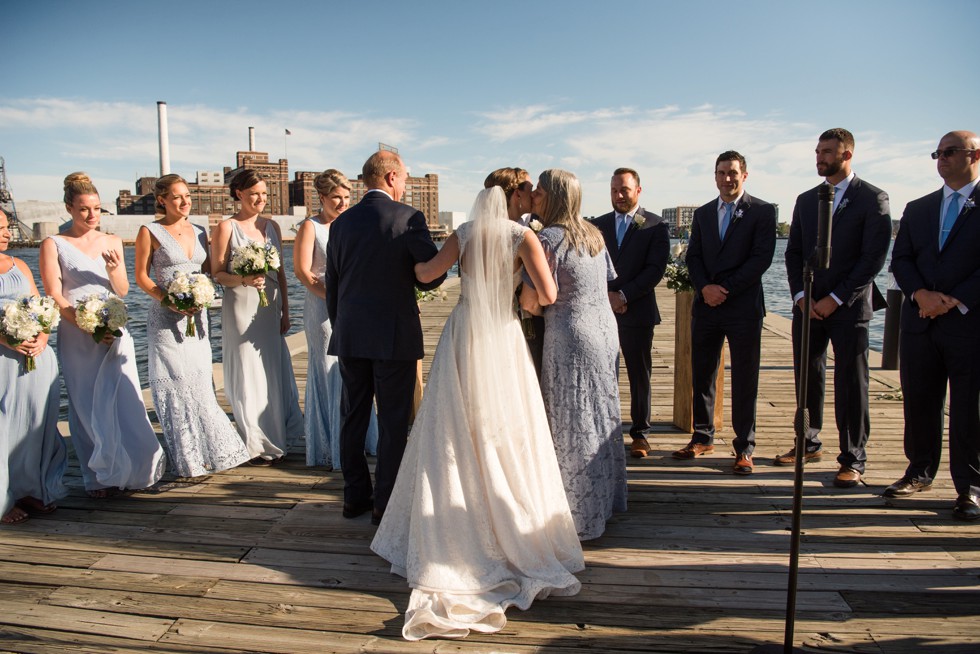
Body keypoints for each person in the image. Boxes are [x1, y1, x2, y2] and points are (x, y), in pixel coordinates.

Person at [371, 186, 583, 640]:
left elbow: (427, 273)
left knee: (451, 425)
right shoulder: (522, 237)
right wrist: (522, 287)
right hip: (502, 335)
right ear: (511, 207)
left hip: (464, 331)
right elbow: (546, 293)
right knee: (506, 425)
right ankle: (508, 517)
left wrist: (404, 264)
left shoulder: (465, 234)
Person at [325, 151, 445, 525]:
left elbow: (332, 284)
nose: (406, 184)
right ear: (391, 177)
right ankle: (385, 503)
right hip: (393, 336)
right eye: (405, 177)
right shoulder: (408, 217)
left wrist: (341, 325)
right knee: (393, 421)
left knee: (353, 417)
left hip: (349, 334)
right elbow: (433, 274)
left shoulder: (341, 224)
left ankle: (354, 497)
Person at [39, 173, 166, 497]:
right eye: (84, 209)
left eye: (96, 208)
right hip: (78, 333)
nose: (91, 215)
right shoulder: (54, 244)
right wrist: (84, 322)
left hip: (113, 329)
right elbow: (54, 293)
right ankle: (98, 477)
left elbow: (122, 289)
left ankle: (133, 468)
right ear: (69, 208)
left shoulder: (111, 241)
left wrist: (112, 271)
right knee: (85, 404)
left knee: (123, 399)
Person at [782, 128, 892, 487]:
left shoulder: (872, 198)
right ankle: (808, 441)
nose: (819, 157)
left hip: (849, 307)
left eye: (826, 151)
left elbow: (872, 258)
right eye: (817, 151)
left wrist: (837, 298)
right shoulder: (805, 199)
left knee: (851, 382)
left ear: (847, 155)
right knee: (807, 378)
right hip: (808, 306)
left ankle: (852, 457)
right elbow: (794, 251)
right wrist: (801, 297)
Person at [525, 168, 626, 540]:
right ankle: (605, 501)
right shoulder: (594, 233)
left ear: (552, 196)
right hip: (604, 333)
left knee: (572, 418)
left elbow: (533, 299)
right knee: (601, 414)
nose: (534, 194)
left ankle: (577, 513)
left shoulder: (548, 239)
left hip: (571, 335)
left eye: (539, 190)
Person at [887, 130, 980, 520]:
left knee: (968, 409)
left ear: (975, 155)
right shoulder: (919, 207)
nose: (941, 158)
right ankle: (919, 471)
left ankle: (970, 487)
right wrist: (921, 295)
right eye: (937, 153)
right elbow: (902, 259)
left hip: (968, 322)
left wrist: (955, 298)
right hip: (920, 322)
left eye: (950, 151)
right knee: (920, 400)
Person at [134, 175, 250, 478]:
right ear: (162, 200)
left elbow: (210, 272)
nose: (184, 202)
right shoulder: (150, 231)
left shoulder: (200, 232)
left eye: (187, 196)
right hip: (165, 319)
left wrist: (250, 267)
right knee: (176, 384)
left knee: (199, 381)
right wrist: (167, 299)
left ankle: (210, 452)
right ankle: (189, 459)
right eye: (176, 197)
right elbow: (142, 278)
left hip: (198, 316)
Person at [675, 151, 776, 475]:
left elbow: (761, 259)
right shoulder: (704, 214)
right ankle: (702, 436)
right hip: (707, 306)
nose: (727, 178)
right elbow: (694, 257)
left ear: (744, 175)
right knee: (702, 372)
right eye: (721, 172)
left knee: (745, 378)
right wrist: (705, 288)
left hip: (743, 307)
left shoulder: (761, 211)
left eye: (732, 172)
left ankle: (744, 447)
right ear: (715, 176)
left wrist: (726, 289)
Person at [210, 170, 303, 465]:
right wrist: (244, 280)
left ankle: (274, 434)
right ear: (239, 194)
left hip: (270, 305)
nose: (261, 199)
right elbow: (217, 273)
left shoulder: (272, 226)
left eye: (264, 194)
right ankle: (254, 440)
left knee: (271, 368)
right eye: (254, 194)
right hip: (240, 304)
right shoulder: (226, 227)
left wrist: (286, 310)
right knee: (248, 367)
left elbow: (282, 274)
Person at [292, 169, 378, 469]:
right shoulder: (310, 227)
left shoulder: (351, 224)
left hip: (353, 308)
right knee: (329, 368)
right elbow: (303, 272)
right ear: (322, 198)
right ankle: (333, 445)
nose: (342, 203)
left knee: (352, 371)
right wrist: (331, 297)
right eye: (336, 199)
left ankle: (359, 440)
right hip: (322, 308)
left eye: (346, 198)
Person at [592, 168, 670, 458]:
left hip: (637, 311)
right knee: (602, 373)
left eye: (624, 189)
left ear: (638, 190)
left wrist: (623, 296)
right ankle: (604, 432)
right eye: (614, 190)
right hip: (602, 311)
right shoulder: (597, 225)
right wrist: (607, 297)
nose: (618, 195)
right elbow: (591, 265)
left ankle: (640, 434)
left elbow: (655, 270)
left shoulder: (655, 225)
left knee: (639, 374)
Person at [0, 209, 68, 524]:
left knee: (35, 423)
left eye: (6, 227)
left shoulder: (20, 265)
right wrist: (7, 341)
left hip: (35, 356)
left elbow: (42, 306)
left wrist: (42, 336)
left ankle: (31, 488)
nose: (6, 233)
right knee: (5, 428)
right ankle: (3, 498)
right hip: (3, 358)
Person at [483, 166, 544, 376]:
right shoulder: (481, 233)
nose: (534, 193)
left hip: (536, 318)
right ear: (517, 193)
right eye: (530, 188)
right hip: (493, 322)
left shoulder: (541, 224)